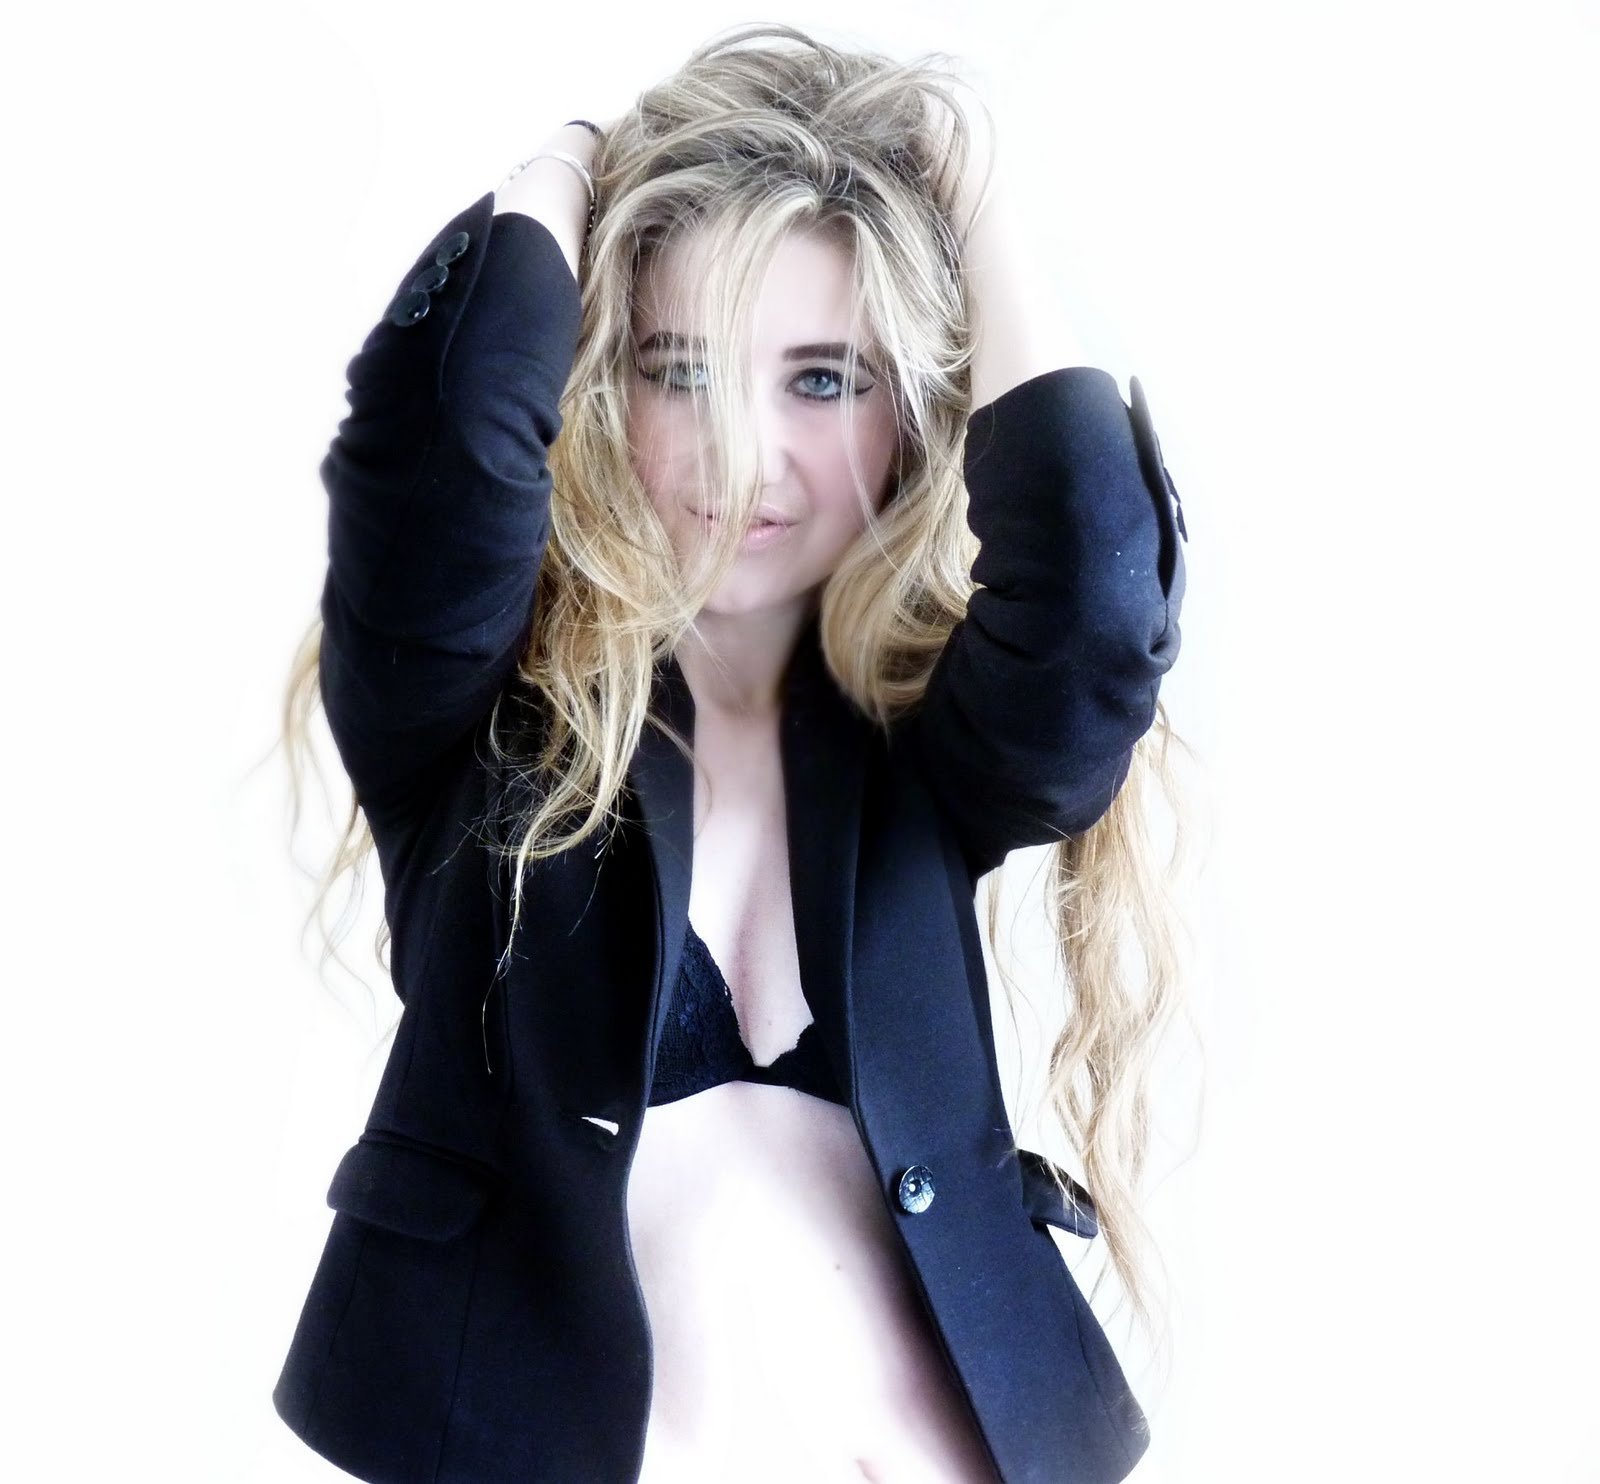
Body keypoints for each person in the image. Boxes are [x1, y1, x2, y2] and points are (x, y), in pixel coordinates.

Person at [273, 21, 1189, 1484]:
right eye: (675, 369)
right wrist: (567, 169)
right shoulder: (467, 726)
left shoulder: (932, 756)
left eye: (822, 380)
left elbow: (1095, 595)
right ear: (597, 383)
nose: (741, 453)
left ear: (917, 407)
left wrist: (972, 194)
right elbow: (443, 444)